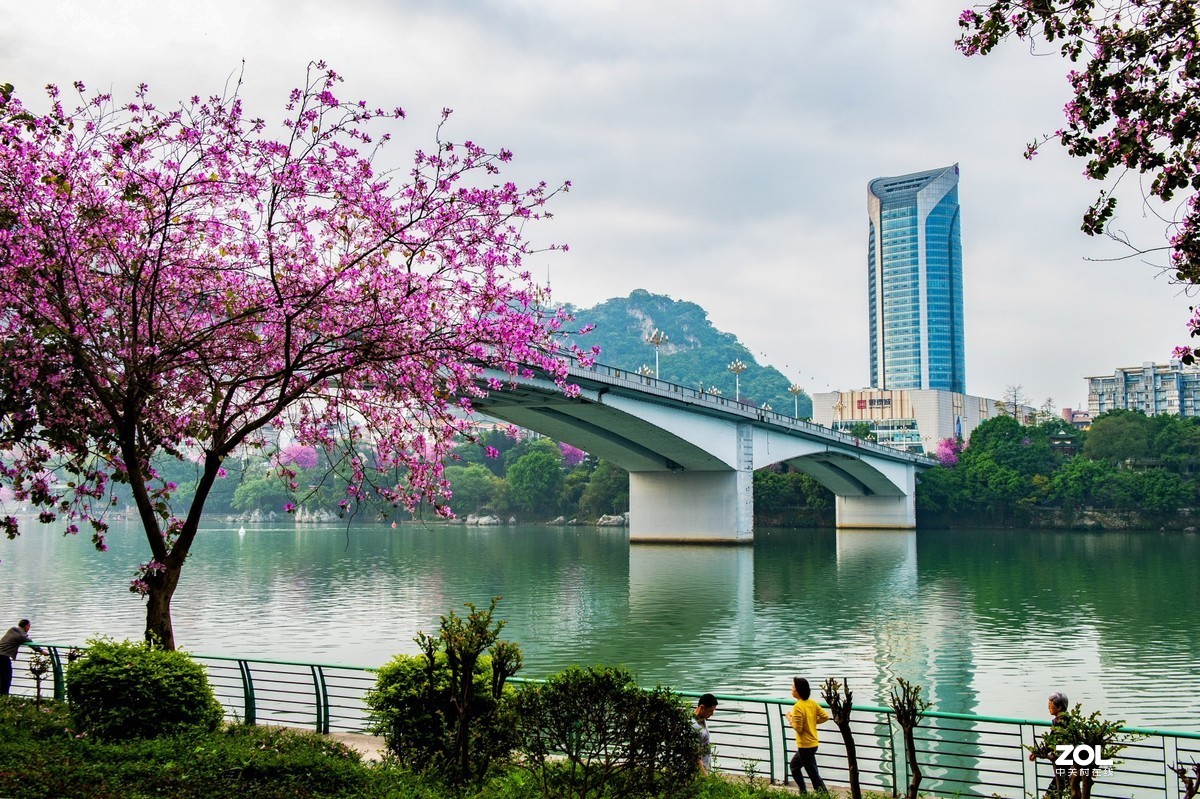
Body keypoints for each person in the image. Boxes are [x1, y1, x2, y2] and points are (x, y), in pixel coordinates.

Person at [785, 677, 830, 793]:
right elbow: (825, 717)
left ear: (798, 690)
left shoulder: (798, 707)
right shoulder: (812, 703)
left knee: (813, 775)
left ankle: (823, 795)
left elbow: (798, 728)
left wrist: (789, 719)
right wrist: (812, 721)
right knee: (795, 766)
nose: (791, 689)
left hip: (805, 745)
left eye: (793, 687)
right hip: (813, 743)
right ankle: (803, 791)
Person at [1028, 691, 1070, 797]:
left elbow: (1051, 743)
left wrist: (1037, 753)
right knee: (1067, 790)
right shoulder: (1064, 720)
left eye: (1050, 705)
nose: (1048, 707)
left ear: (1059, 707)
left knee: (1054, 793)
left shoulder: (1060, 723)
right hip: (1067, 764)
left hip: (1065, 765)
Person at [0, 619, 43, 696]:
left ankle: (2, 696)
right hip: (3, 657)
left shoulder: (12, 629)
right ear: (26, 626)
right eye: (29, 626)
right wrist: (41, 650)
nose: (29, 628)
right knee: (6, 677)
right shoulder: (20, 635)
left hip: (2, 655)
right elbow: (30, 642)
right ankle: (4, 696)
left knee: (2, 677)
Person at [693, 693, 718, 775]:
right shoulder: (693, 726)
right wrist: (704, 774)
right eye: (710, 711)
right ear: (702, 707)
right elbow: (695, 755)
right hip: (699, 771)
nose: (712, 714)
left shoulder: (702, 720)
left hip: (706, 765)